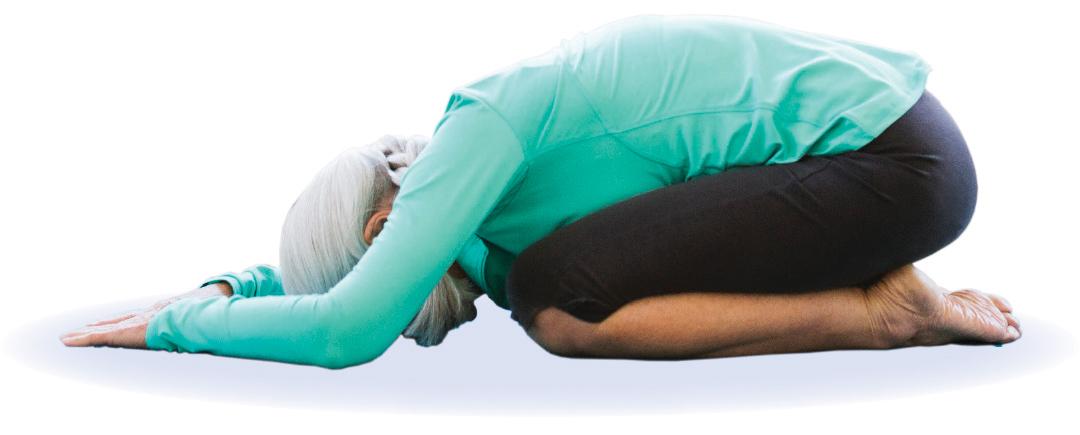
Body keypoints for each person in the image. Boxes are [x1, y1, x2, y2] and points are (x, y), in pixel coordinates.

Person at [60, 14, 1020, 368]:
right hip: (887, 162)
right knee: (545, 283)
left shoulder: (474, 135)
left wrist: (173, 330)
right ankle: (886, 301)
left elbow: (340, 328)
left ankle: (889, 316)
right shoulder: (479, 195)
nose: (403, 316)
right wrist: (230, 289)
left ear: (390, 223)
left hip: (893, 164)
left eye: (388, 270)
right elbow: (340, 284)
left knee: (555, 299)